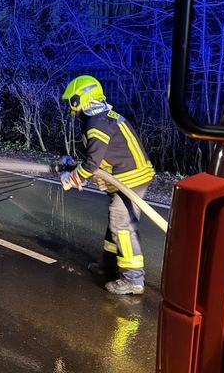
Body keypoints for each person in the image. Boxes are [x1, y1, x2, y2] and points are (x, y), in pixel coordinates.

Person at [58, 75, 155, 295]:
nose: (69, 106)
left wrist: (74, 178)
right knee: (116, 221)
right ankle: (109, 266)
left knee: (122, 224)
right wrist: (78, 172)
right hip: (128, 175)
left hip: (130, 178)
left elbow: (93, 161)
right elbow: (102, 160)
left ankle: (133, 280)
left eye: (71, 100)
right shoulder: (103, 117)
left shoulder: (96, 122)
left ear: (80, 99)